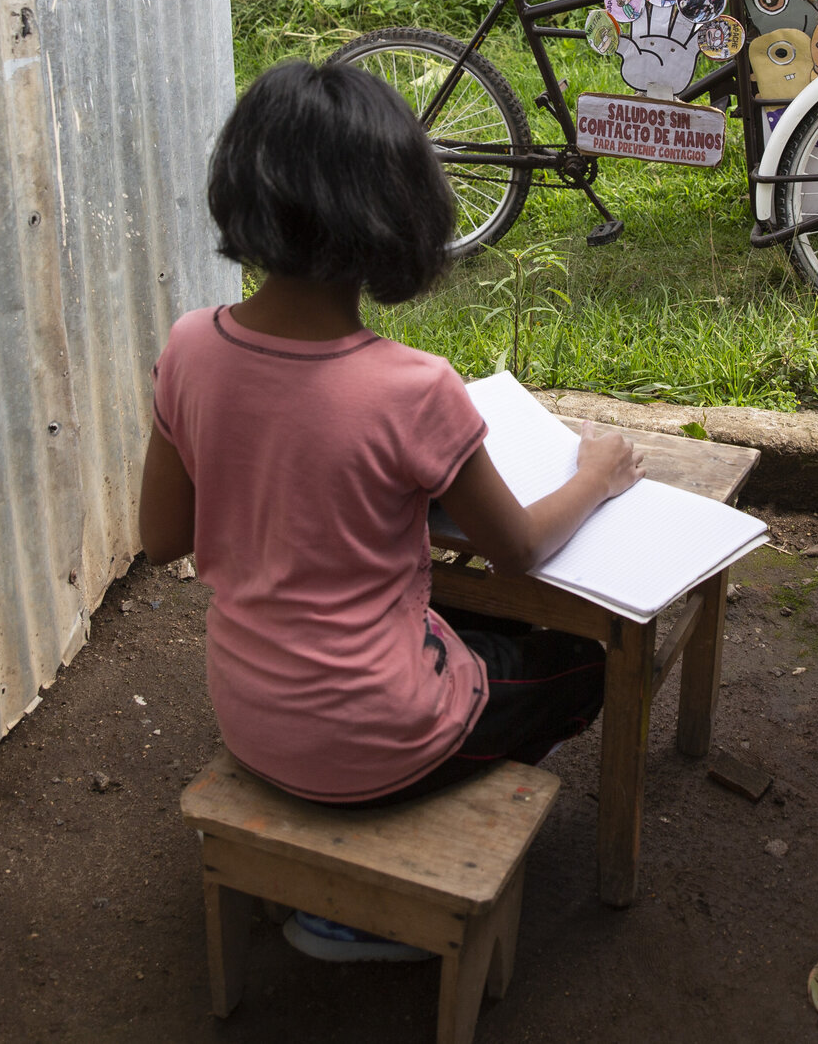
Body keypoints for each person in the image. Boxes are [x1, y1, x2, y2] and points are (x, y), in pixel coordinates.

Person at [137, 59, 644, 963]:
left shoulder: (186, 349)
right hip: (376, 734)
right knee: (581, 664)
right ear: (397, 211)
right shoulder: (414, 388)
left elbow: (162, 536)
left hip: (248, 711)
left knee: (453, 619)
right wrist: (599, 473)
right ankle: (371, 897)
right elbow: (520, 548)